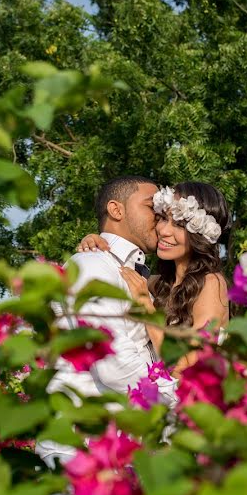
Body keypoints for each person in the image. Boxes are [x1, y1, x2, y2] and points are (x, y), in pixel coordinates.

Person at [35, 175, 176, 468]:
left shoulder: (136, 274)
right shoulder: (91, 264)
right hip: (80, 447)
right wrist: (178, 398)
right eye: (152, 206)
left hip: (117, 447)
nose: (160, 218)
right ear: (116, 210)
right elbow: (114, 364)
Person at [77, 182, 230, 376]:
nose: (164, 230)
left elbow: (187, 365)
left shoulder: (211, 283)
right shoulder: (160, 283)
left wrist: (145, 307)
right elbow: (120, 270)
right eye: (163, 218)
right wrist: (96, 242)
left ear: (200, 233)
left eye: (180, 224)